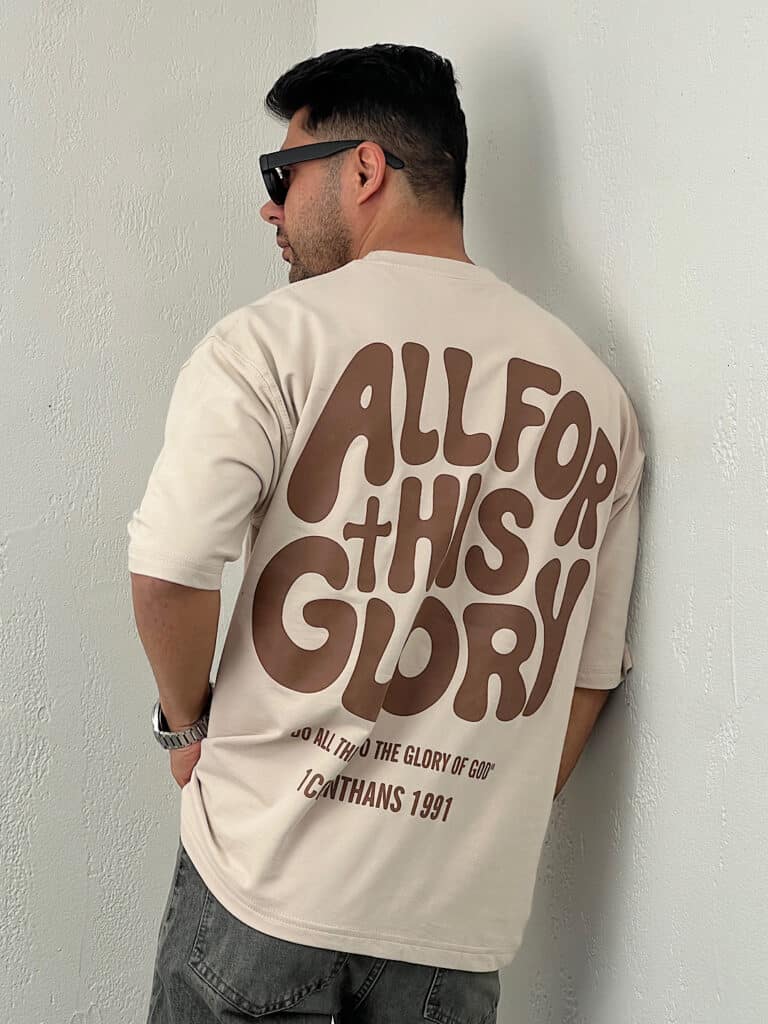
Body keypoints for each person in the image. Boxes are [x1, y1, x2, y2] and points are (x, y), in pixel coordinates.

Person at [128, 42, 645, 1024]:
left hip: (265, 884)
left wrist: (185, 727)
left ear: (365, 169)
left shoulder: (271, 342)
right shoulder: (597, 400)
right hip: (451, 929)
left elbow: (168, 570)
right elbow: (588, 675)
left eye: (282, 175)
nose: (271, 209)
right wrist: (472, 824)